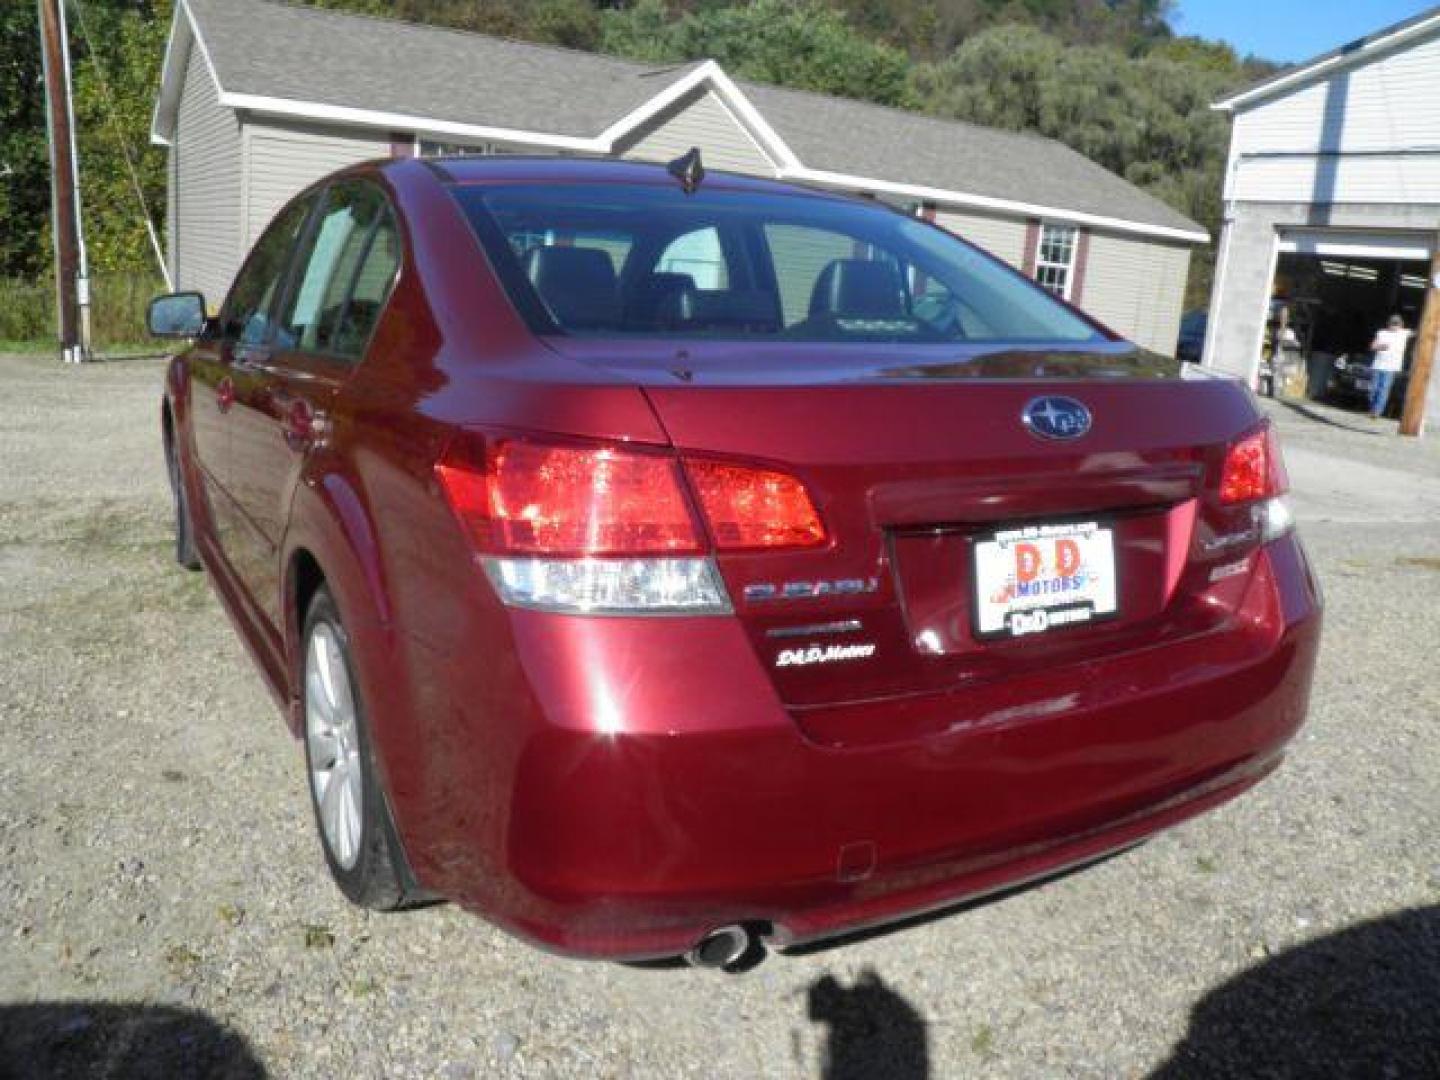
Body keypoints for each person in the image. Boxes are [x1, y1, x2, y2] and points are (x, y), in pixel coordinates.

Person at [1368, 314, 1412, 419]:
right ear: (1389, 324)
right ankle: (1372, 408)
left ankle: (1377, 411)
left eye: (1397, 324)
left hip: (1391, 367)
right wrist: (1380, 346)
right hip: (1378, 365)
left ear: (1401, 325)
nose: (1394, 326)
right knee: (1373, 389)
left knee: (1384, 389)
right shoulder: (1382, 333)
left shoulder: (1404, 333)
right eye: (1393, 323)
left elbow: (1421, 331)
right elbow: (1372, 346)